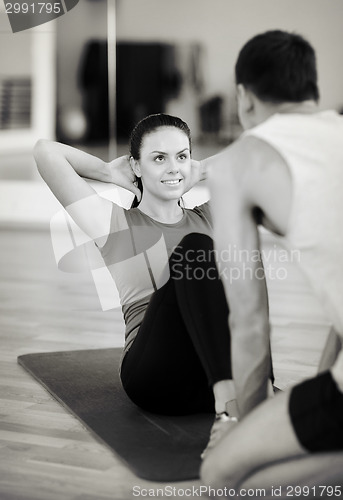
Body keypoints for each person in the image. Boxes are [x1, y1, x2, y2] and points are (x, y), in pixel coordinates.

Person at [200, 30, 343, 490]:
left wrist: (247, 425)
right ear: (311, 91)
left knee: (224, 474)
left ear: (243, 98)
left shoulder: (235, 164)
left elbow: (249, 325)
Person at [34, 113, 240, 419]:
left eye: (181, 156)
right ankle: (231, 399)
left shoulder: (208, 217)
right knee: (195, 249)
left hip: (207, 373)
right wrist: (106, 171)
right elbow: (45, 151)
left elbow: (258, 158)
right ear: (136, 166)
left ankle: (242, 389)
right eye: (159, 158)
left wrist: (199, 170)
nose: (172, 167)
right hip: (157, 378)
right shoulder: (114, 224)